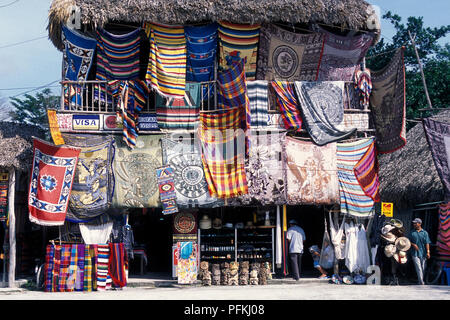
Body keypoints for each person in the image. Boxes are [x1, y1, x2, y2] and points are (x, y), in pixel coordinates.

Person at [408, 218, 431, 285]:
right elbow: (407, 241)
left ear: (420, 224)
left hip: (423, 252)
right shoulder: (412, 232)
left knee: (423, 267)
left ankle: (420, 280)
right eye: (414, 223)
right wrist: (413, 244)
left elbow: (427, 243)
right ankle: (421, 282)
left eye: (416, 223)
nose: (414, 224)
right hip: (414, 253)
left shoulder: (425, 233)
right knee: (418, 267)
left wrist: (428, 252)